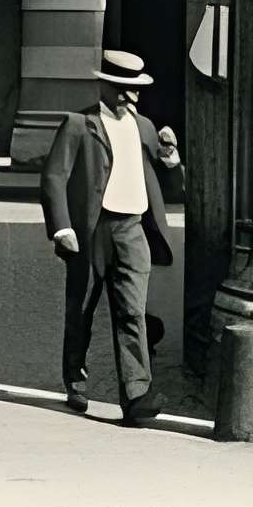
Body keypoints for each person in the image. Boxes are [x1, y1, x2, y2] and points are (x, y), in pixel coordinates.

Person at [39, 47, 181, 425]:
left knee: (132, 311)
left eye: (134, 88)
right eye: (120, 88)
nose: (129, 96)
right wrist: (62, 227)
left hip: (133, 230)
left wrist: (171, 159)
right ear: (103, 85)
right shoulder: (77, 124)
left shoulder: (145, 128)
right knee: (81, 309)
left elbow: (168, 184)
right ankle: (75, 379)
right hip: (91, 231)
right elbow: (54, 177)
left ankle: (136, 397)